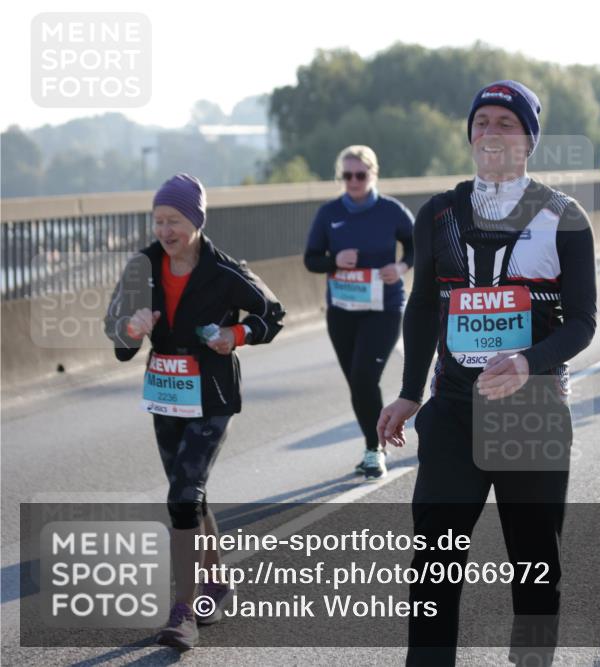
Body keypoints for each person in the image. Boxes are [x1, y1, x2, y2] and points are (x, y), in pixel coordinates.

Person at [377, 80, 597, 667]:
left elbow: (582, 322)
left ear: (528, 139)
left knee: (534, 568)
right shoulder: (439, 213)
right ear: (470, 136)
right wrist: (406, 394)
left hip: (533, 410)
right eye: (482, 123)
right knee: (434, 567)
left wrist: (529, 362)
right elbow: (424, 305)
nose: (491, 132)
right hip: (452, 407)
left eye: (506, 122)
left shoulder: (563, 216)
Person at [104, 174, 285, 650]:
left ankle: (182, 611)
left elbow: (273, 313)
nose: (165, 230)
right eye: (158, 220)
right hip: (165, 392)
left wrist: (237, 336)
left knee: (183, 496)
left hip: (211, 393)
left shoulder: (225, 272)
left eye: (175, 221)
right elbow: (116, 336)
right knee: (191, 495)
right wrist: (131, 326)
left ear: (197, 221)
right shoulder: (140, 267)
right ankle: (216, 582)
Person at [304, 145, 415, 480]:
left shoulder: (391, 211)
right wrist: (334, 261)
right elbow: (311, 259)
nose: (353, 181)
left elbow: (416, 245)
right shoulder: (329, 213)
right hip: (342, 310)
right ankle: (373, 445)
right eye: (347, 175)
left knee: (366, 376)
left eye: (360, 175)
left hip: (383, 308)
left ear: (373, 175)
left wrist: (400, 266)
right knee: (357, 382)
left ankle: (373, 449)